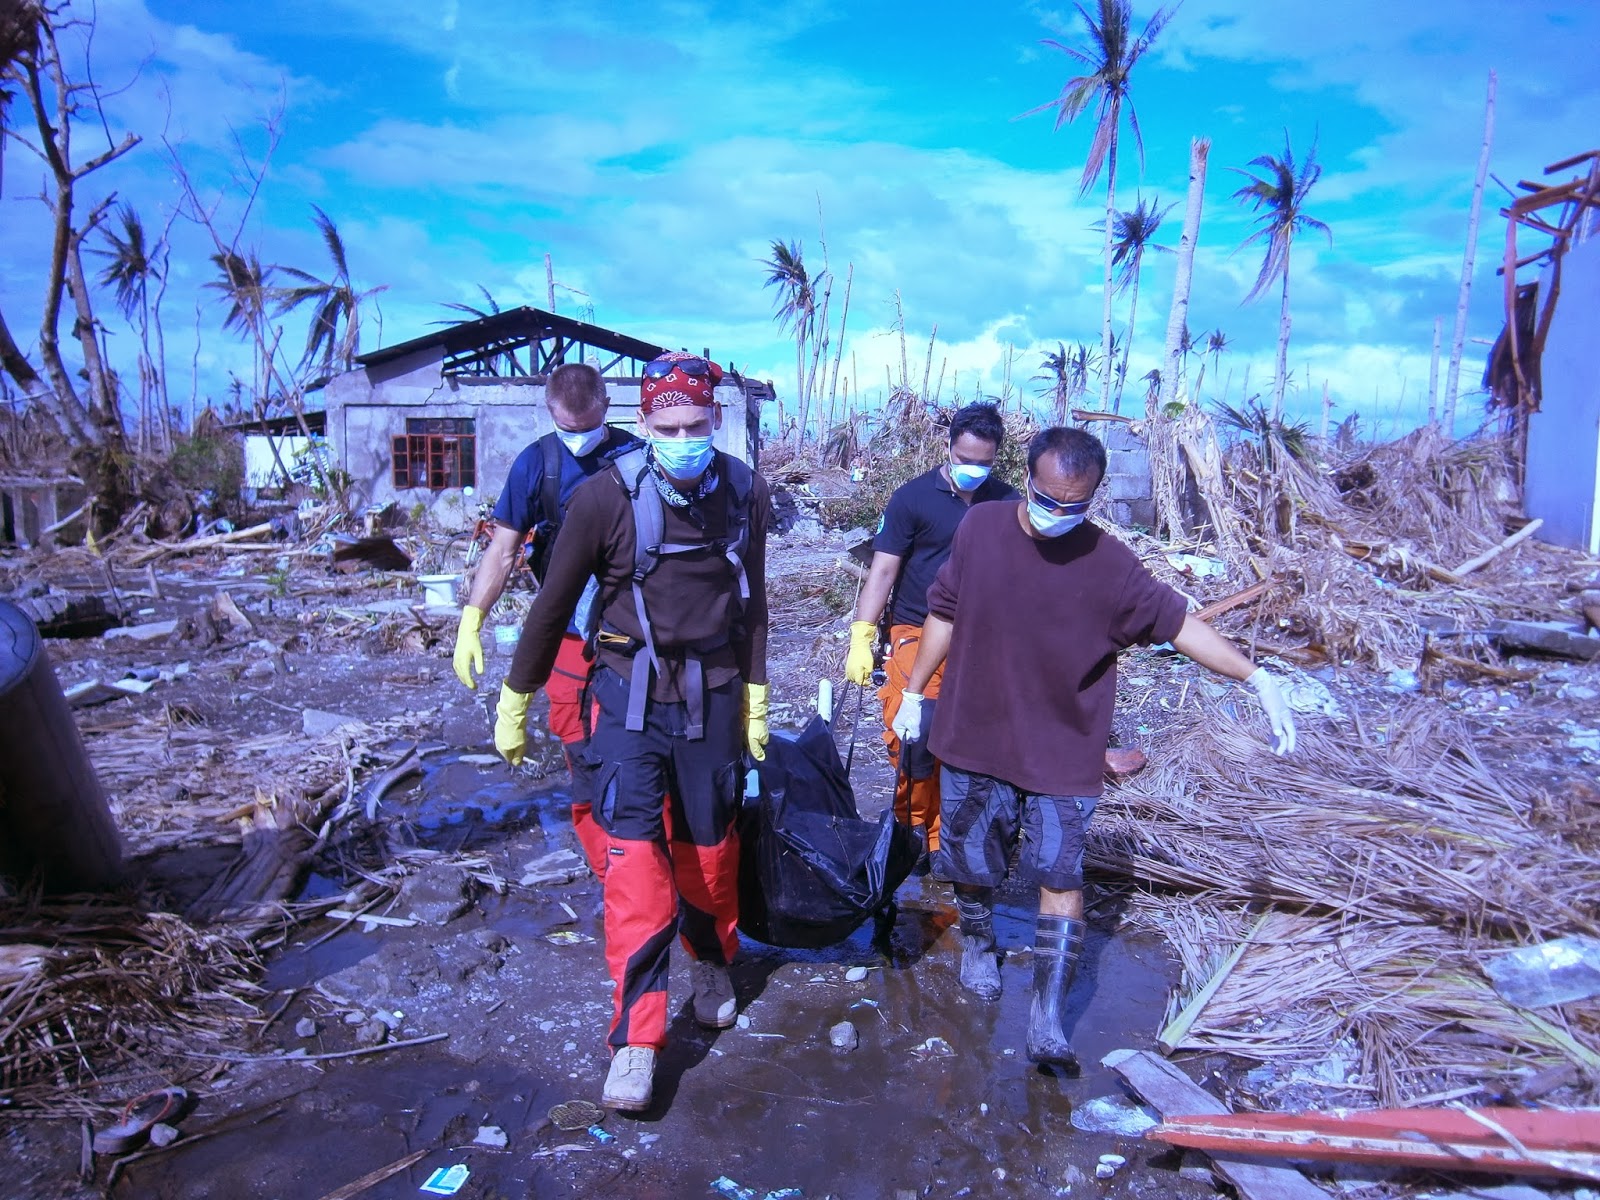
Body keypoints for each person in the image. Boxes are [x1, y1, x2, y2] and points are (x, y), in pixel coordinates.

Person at [892, 426, 1296, 1067]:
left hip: (1061, 749)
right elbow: (943, 609)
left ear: (1093, 496)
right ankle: (978, 943)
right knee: (971, 859)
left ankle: (1047, 1015)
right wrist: (915, 691)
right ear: (1027, 478)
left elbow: (1180, 625)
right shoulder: (981, 529)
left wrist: (1257, 677)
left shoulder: (1111, 566)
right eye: (1047, 498)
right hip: (974, 731)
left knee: (1060, 872)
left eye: (1074, 504)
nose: (1058, 513)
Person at [494, 351, 770, 1113]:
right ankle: (637, 1039)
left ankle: (710, 959)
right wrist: (517, 695)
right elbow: (553, 605)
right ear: (643, 422)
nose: (684, 440)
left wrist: (756, 693)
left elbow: (755, 601)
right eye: (668, 427)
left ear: (716, 420)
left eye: (697, 425)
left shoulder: (745, 491)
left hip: (713, 696)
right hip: (626, 697)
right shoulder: (601, 498)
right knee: (637, 868)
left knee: (710, 855)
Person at [453, 362, 641, 875]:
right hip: (568, 633)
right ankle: (608, 873)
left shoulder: (635, 457)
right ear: (550, 413)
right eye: (567, 429)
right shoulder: (536, 464)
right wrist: (472, 620)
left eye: (589, 427)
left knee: (633, 749)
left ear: (607, 407)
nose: (579, 439)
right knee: (580, 751)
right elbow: (502, 551)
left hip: (630, 632)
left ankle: (643, 868)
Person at [844, 403, 1018, 866]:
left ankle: (945, 841)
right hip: (916, 630)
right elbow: (883, 570)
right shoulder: (913, 498)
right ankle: (912, 829)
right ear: (948, 447)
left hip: (980, 637)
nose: (973, 470)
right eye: (964, 459)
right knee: (914, 737)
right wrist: (862, 635)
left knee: (965, 744)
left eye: (983, 462)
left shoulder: (1007, 503)